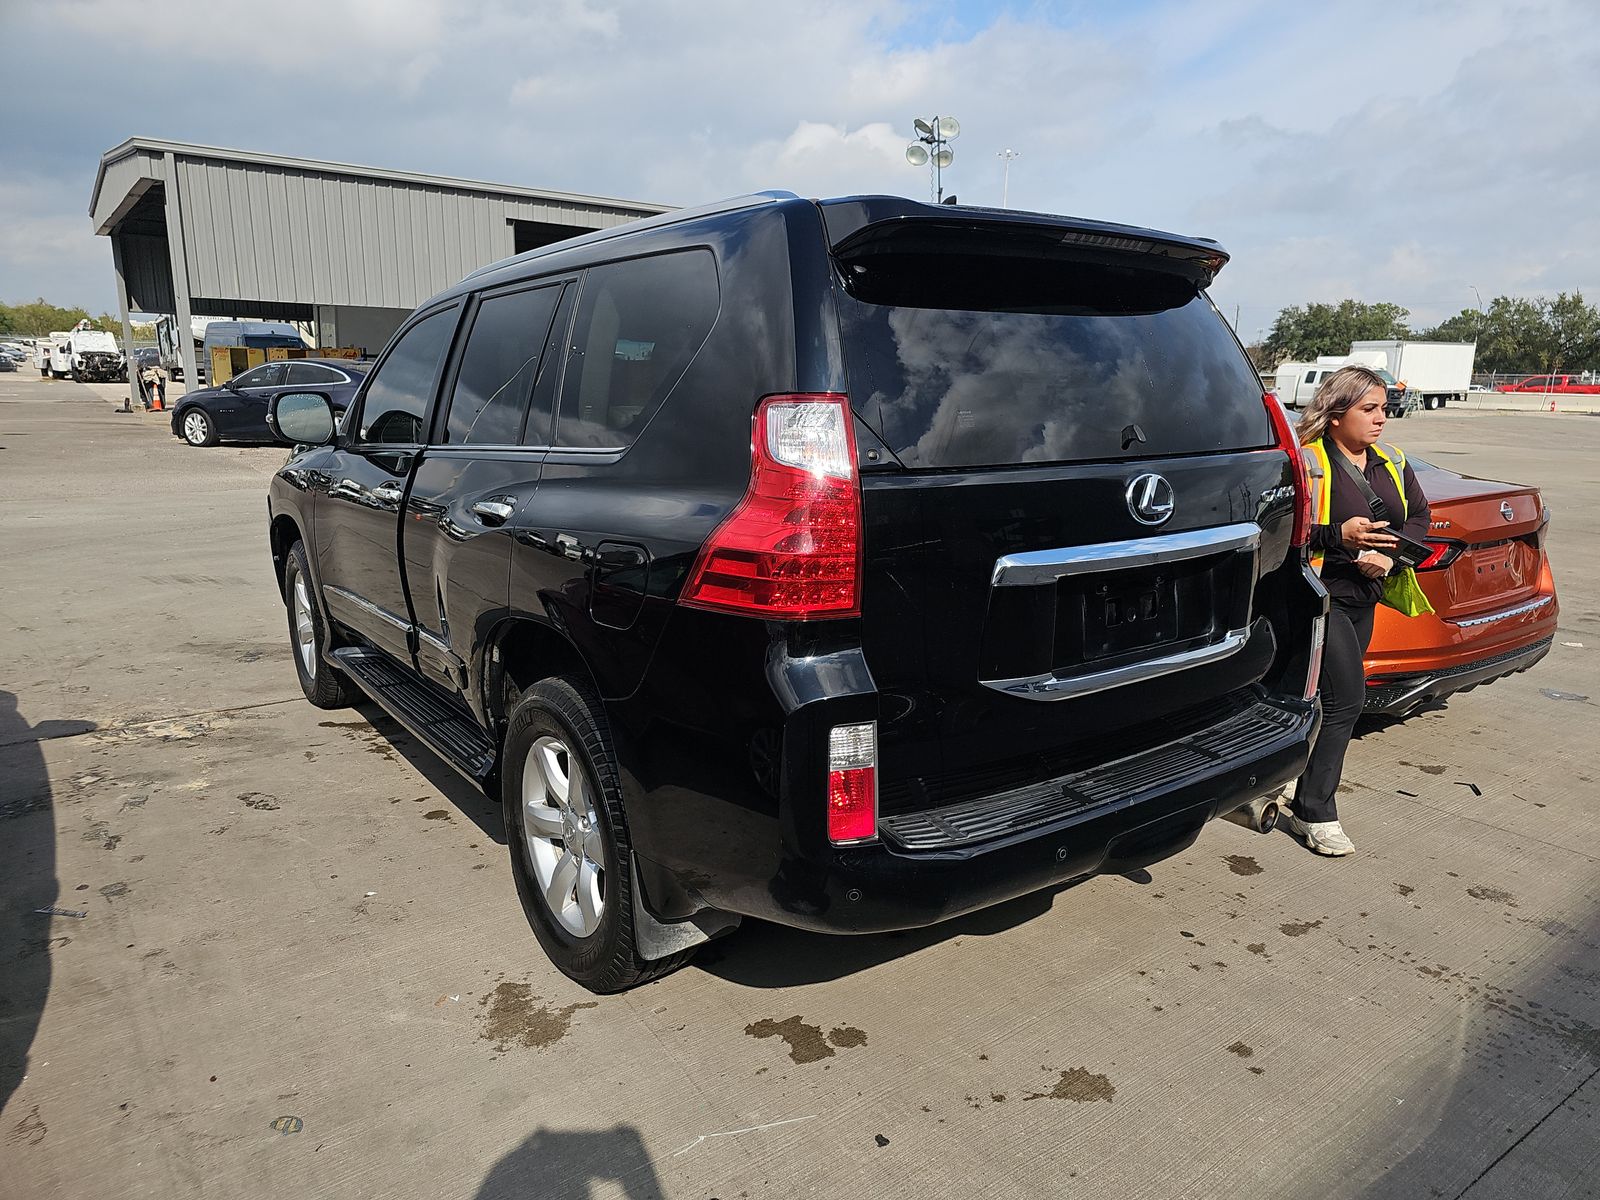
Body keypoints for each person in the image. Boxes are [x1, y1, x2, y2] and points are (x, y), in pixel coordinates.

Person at [1290, 365, 1430, 856]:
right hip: (1319, 599)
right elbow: (1279, 530)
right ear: (1335, 414)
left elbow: (1419, 517)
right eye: (1368, 409)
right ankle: (1314, 812)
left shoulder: (1391, 461)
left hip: (1365, 597)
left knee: (1323, 700)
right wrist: (1339, 536)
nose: (1381, 419)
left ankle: (1280, 781)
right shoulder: (1306, 464)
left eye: (1384, 409)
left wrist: (1390, 555)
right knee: (1348, 701)